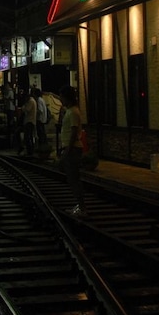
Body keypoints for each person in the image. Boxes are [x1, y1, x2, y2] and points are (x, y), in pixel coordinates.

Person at [56, 86, 87, 217]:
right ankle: (80, 205)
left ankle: (82, 207)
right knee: (72, 178)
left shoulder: (73, 112)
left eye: (62, 97)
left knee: (74, 179)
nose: (61, 100)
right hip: (71, 148)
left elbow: (74, 131)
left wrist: (67, 150)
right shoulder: (70, 111)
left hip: (72, 148)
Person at [20, 89, 37, 157]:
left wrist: (23, 107)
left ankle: (30, 151)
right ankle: (29, 150)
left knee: (28, 136)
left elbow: (27, 109)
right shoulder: (32, 101)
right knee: (28, 136)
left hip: (30, 121)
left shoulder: (31, 101)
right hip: (29, 121)